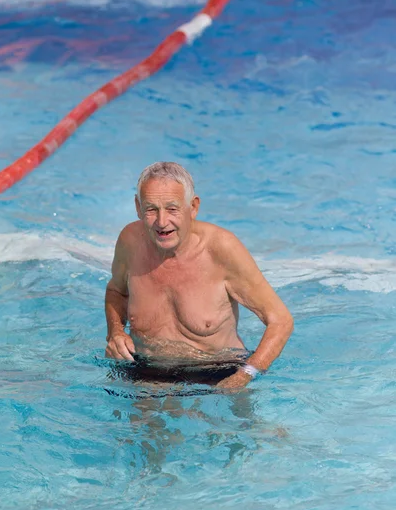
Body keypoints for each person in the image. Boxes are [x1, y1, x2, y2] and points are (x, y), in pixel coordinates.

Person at [105, 161, 293, 389]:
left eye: (172, 209)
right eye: (151, 209)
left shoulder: (222, 249)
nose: (162, 222)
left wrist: (244, 376)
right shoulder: (130, 241)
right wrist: (115, 332)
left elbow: (281, 321)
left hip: (218, 374)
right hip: (147, 371)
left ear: (193, 207)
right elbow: (116, 291)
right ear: (137, 207)